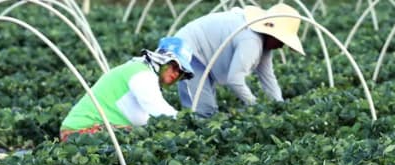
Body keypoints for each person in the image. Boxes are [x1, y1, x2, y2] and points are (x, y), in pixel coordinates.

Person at [173, 4, 305, 117]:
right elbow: (234, 80)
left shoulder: (264, 44)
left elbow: (268, 77)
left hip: (202, 53)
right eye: (281, 40)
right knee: (202, 112)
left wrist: (279, 105)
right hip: (187, 49)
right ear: (271, 34)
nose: (282, 46)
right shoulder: (251, 41)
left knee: (207, 109)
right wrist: (255, 105)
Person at [59, 37, 194, 141]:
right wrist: (188, 124)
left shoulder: (142, 71)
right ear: (163, 61)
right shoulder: (142, 74)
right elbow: (158, 109)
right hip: (79, 133)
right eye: (174, 67)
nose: (176, 73)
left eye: (180, 72)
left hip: (90, 130)